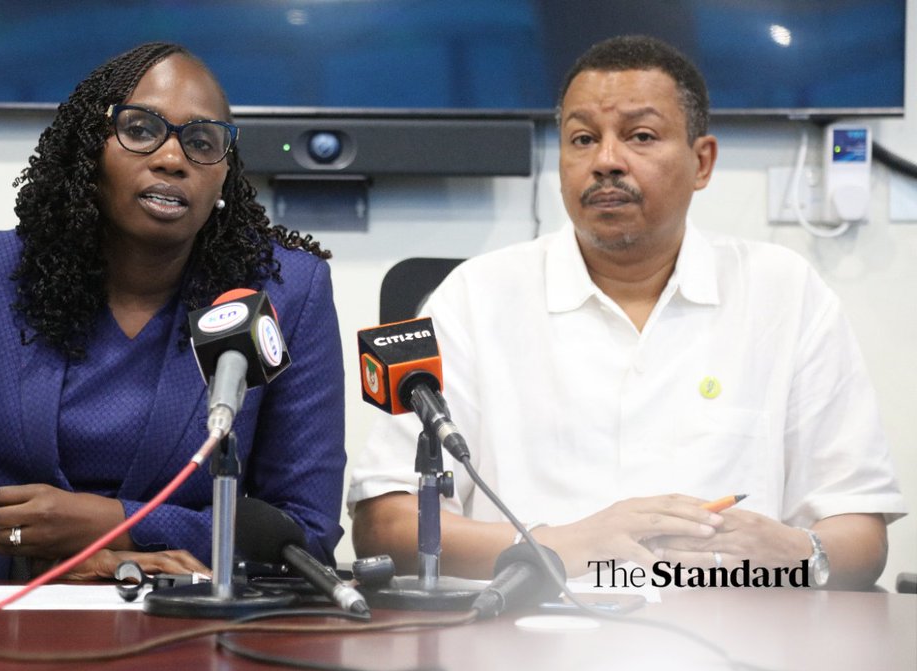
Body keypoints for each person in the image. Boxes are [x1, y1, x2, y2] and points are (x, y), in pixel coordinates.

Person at [348, 35, 906, 590]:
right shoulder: (475, 296)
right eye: (583, 139)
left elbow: (860, 531)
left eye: (640, 136)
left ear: (702, 161)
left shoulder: (784, 292)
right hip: (524, 636)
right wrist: (557, 547)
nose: (606, 161)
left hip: (736, 637)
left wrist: (797, 551)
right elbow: (386, 521)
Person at [0, 42, 346, 580]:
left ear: (224, 175)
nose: (172, 159)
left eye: (202, 142)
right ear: (89, 149)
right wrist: (35, 559)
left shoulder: (285, 293)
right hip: (8, 626)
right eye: (140, 130)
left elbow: (304, 533)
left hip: (187, 632)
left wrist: (113, 523)